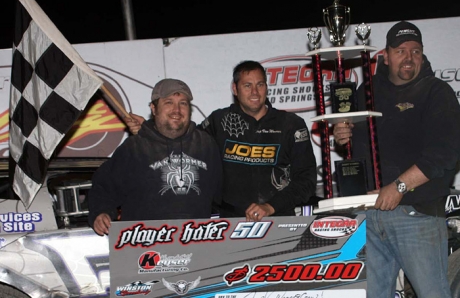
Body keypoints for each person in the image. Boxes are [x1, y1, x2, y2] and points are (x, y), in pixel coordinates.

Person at [333, 21, 460, 297]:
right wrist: (343, 135)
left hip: (417, 214)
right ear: (386, 56)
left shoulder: (437, 93)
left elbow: (446, 155)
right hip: (368, 212)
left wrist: (399, 186)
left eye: (415, 51)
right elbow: (355, 149)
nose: (409, 58)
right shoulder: (366, 93)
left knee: (433, 293)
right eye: (401, 51)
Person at [127, 60, 317, 221]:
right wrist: (150, 128)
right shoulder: (219, 121)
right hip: (231, 222)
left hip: (279, 219)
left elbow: (306, 180)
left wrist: (270, 206)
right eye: (247, 85)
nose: (255, 92)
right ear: (235, 89)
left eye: (260, 84)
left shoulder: (291, 124)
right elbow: (181, 143)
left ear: (266, 87)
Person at [88, 78, 223, 236]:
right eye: (168, 102)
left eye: (183, 103)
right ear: (153, 108)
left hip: (196, 245)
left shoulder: (206, 145)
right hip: (145, 248)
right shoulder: (134, 148)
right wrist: (100, 213)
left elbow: (224, 194)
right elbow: (104, 187)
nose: (176, 110)